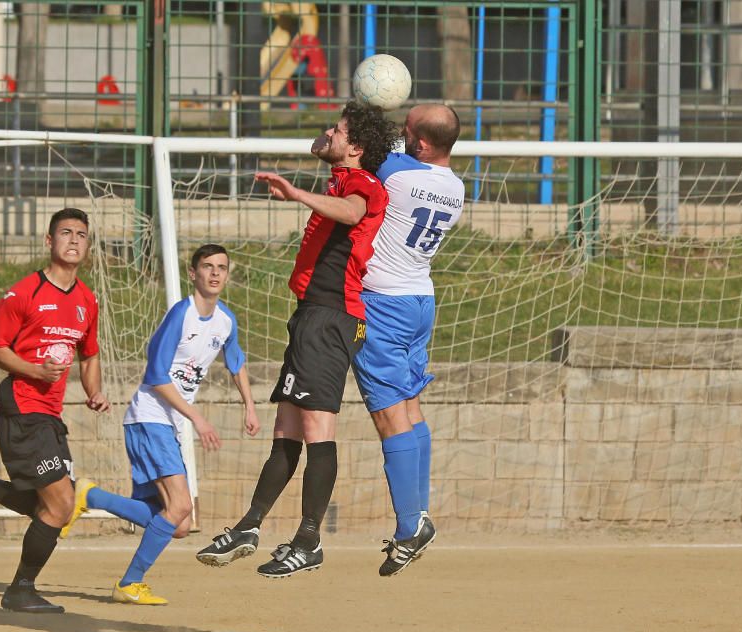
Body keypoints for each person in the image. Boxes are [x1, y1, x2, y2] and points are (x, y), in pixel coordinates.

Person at [196, 101, 399, 578]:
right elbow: (323, 151)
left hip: (332, 317)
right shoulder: (343, 171)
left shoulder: (363, 184)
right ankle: (250, 525)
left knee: (315, 429)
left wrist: (299, 194)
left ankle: (309, 539)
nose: (327, 132)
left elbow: (351, 212)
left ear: (358, 147)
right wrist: (332, 141)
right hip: (311, 315)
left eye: (338, 129)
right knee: (286, 428)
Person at [0, 207, 111, 613]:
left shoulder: (87, 300)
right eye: (65, 233)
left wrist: (94, 390)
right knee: (61, 505)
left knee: (52, 507)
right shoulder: (22, 294)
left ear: (87, 245)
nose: (73, 240)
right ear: (49, 242)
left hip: (50, 413)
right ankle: (20, 589)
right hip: (21, 405)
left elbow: (90, 354)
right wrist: (34, 369)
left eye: (81, 235)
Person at [62, 244, 259, 605]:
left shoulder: (225, 320)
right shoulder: (180, 316)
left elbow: (236, 360)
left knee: (179, 524)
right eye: (207, 267)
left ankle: (89, 495)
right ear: (193, 273)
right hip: (148, 418)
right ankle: (129, 582)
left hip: (165, 426)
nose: (215, 273)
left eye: (222, 268)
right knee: (181, 506)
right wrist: (197, 418)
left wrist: (250, 406)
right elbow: (155, 375)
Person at [353, 103, 464, 576]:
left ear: (419, 143)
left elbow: (350, 150)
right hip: (421, 300)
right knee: (412, 408)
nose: (399, 132)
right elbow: (399, 150)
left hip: (383, 303)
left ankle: (409, 525)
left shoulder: (396, 175)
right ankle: (417, 516)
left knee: (387, 414)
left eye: (407, 128)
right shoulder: (455, 187)